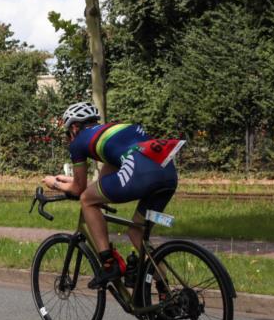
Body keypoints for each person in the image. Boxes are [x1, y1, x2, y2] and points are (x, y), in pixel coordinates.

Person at [42, 102, 184, 288]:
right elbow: (100, 185)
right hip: (167, 172)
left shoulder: (78, 142)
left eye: (68, 133)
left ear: (75, 128)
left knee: (87, 201)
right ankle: (166, 292)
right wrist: (69, 182)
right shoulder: (115, 131)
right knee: (136, 232)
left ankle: (109, 264)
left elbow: (80, 191)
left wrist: (55, 184)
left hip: (139, 171)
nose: (69, 138)